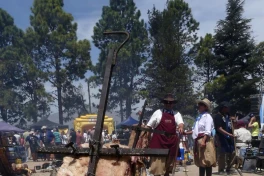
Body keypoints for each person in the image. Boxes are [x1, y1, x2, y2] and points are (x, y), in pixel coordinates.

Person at [147, 93, 184, 176]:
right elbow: (149, 126)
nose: (168, 104)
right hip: (158, 142)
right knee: (157, 168)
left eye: (170, 103)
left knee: (168, 168)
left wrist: (181, 127)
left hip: (171, 143)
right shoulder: (158, 113)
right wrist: (148, 139)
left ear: (173, 104)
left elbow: (181, 123)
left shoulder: (176, 114)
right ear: (164, 103)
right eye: (166, 102)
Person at [191, 98, 215, 176]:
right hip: (198, 139)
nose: (199, 106)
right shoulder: (199, 117)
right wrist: (186, 132)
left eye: (201, 105)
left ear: (205, 107)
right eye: (199, 105)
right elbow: (196, 130)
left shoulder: (208, 117)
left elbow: (207, 131)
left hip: (205, 139)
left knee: (207, 160)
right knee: (201, 161)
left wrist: (203, 141)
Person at [214, 102, 235, 175]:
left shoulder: (228, 116)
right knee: (222, 153)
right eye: (227, 107)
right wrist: (228, 134)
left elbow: (231, 125)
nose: (228, 109)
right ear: (223, 108)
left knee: (232, 152)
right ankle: (221, 169)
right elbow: (219, 128)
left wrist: (233, 121)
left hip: (230, 137)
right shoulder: (218, 116)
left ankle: (229, 168)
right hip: (221, 137)